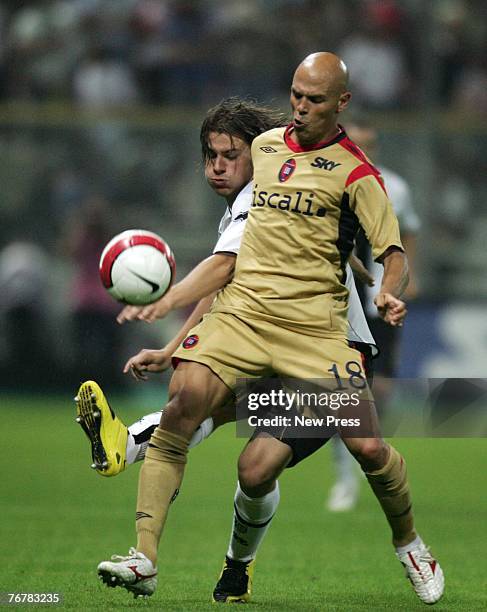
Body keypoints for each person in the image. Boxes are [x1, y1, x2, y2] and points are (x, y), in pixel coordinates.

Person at [86, 53, 444, 606]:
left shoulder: (357, 173)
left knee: (340, 452)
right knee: (188, 397)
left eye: (315, 98)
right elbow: (252, 260)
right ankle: (144, 556)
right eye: (296, 95)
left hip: (320, 336)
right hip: (248, 320)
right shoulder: (267, 149)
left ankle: (409, 542)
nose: (301, 107)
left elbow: (386, 249)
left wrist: (386, 288)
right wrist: (175, 347)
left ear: (342, 103)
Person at [326, 117, 421, 513]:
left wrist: (406, 277)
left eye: (369, 144)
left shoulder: (394, 187)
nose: (363, 151)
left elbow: (409, 231)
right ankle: (345, 478)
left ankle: (372, 460)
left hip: (380, 303)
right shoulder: (328, 179)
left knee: (379, 392)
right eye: (356, 143)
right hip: (343, 303)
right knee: (343, 392)